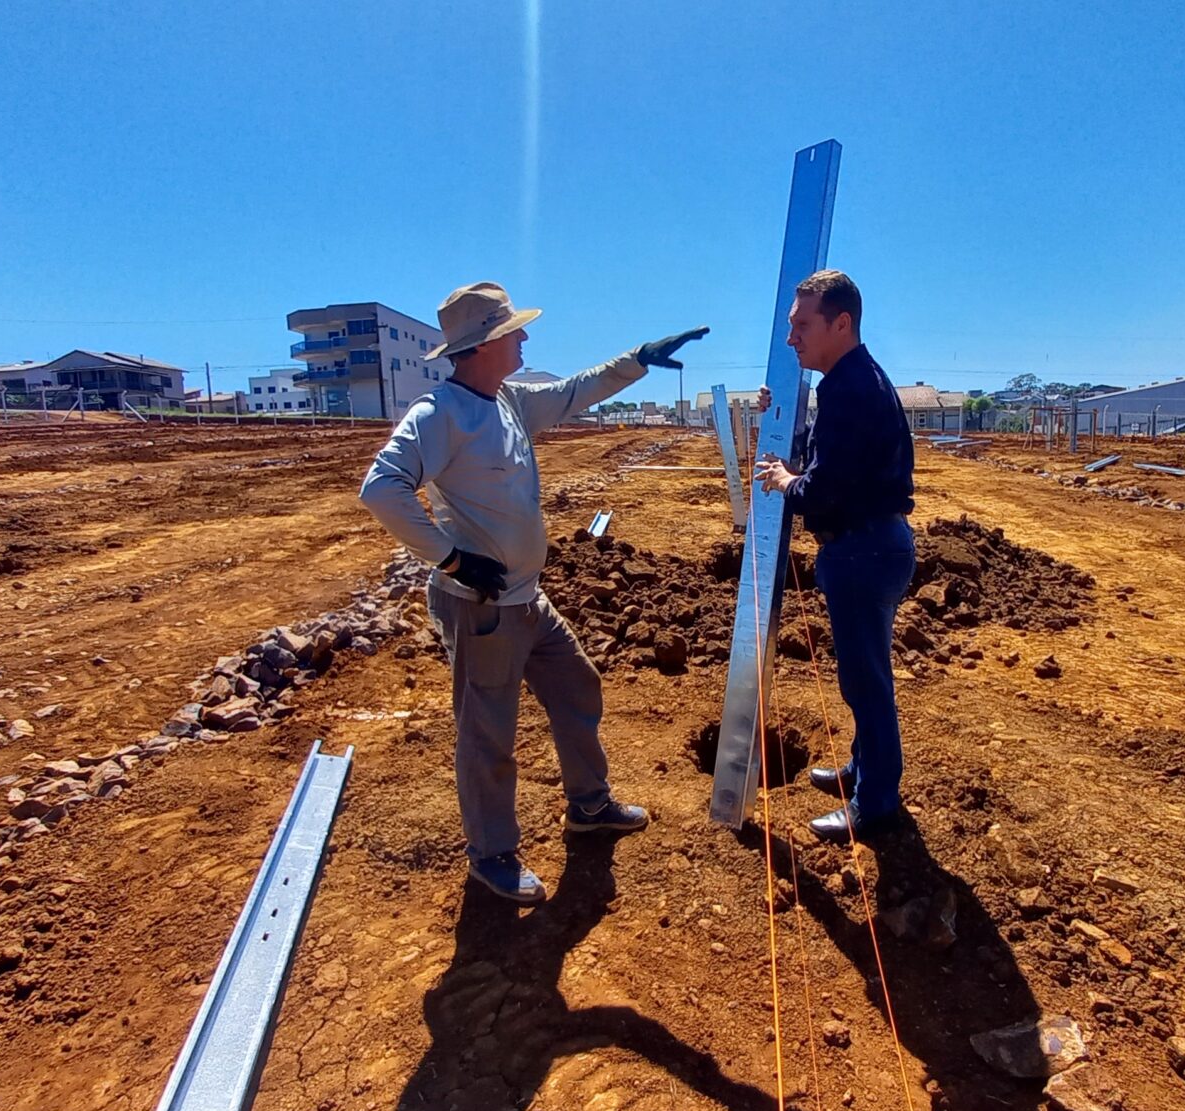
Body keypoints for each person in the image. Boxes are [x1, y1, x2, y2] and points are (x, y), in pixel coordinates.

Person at [360, 281, 708, 902]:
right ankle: (491, 854)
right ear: (483, 345)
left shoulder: (508, 401)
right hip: (482, 609)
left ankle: (589, 807)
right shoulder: (438, 416)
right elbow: (380, 490)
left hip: (527, 598)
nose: (524, 338)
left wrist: (639, 356)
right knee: (488, 733)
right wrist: (451, 559)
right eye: (513, 331)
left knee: (577, 686)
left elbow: (576, 392)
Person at [753, 270, 915, 844]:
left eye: (802, 325)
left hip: (863, 550)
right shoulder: (852, 382)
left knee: (866, 684)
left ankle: (875, 804)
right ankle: (863, 771)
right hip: (873, 545)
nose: (792, 337)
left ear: (840, 323)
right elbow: (836, 464)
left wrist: (784, 480)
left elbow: (824, 489)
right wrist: (780, 417)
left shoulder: (850, 391)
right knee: (862, 677)